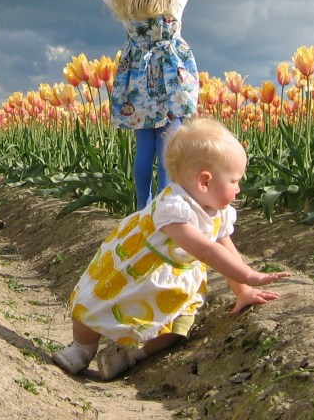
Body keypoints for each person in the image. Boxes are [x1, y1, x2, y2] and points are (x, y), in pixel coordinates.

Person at [52, 118, 291, 380]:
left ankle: (128, 355)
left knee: (175, 331)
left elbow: (225, 246)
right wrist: (248, 275)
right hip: (136, 273)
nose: (239, 188)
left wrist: (243, 291)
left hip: (173, 283)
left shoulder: (219, 214)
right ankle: (82, 349)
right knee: (94, 307)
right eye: (234, 181)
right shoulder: (173, 208)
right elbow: (206, 250)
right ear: (205, 182)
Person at [98, 0, 199, 210]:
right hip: (171, 83)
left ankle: (143, 206)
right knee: (169, 144)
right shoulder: (173, 1)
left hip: (137, 81)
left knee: (144, 145)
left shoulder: (125, 4)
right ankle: (167, 206)